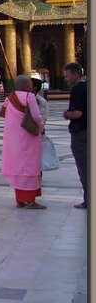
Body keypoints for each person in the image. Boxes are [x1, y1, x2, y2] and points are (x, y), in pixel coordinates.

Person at [1, 75, 45, 209]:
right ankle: (31, 201)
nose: (32, 86)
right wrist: (41, 127)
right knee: (30, 165)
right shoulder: (29, 97)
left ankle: (20, 199)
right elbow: (37, 116)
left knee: (18, 165)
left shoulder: (10, 98)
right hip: (29, 136)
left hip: (13, 137)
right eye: (30, 83)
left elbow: (3, 113)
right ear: (25, 85)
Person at [63, 63, 87, 209]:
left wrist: (66, 114)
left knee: (84, 167)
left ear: (75, 75)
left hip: (81, 133)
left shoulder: (77, 89)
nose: (65, 78)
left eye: (66, 75)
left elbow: (77, 113)